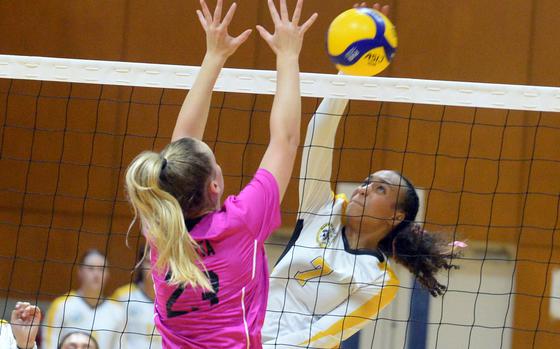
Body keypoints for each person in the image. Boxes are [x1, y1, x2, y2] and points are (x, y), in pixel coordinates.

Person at [262, 4, 465, 348]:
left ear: (396, 215)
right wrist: (349, 73)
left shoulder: (379, 280)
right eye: (369, 181)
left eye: (380, 188)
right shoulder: (321, 210)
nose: (365, 188)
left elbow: (325, 335)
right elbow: (318, 138)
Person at [124, 0, 317, 347]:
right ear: (215, 184)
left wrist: (214, 57)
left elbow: (186, 144)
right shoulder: (240, 221)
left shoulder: (161, 230)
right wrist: (288, 56)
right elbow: (284, 139)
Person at [42, 249, 126, 349]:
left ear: (108, 274)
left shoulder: (117, 311)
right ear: (80, 272)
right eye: (91, 268)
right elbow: (49, 344)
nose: (96, 274)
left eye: (101, 269)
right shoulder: (62, 305)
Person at [112, 247, 162, 349]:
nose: (153, 268)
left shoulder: (174, 301)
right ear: (140, 265)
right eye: (149, 262)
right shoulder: (123, 296)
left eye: (158, 263)